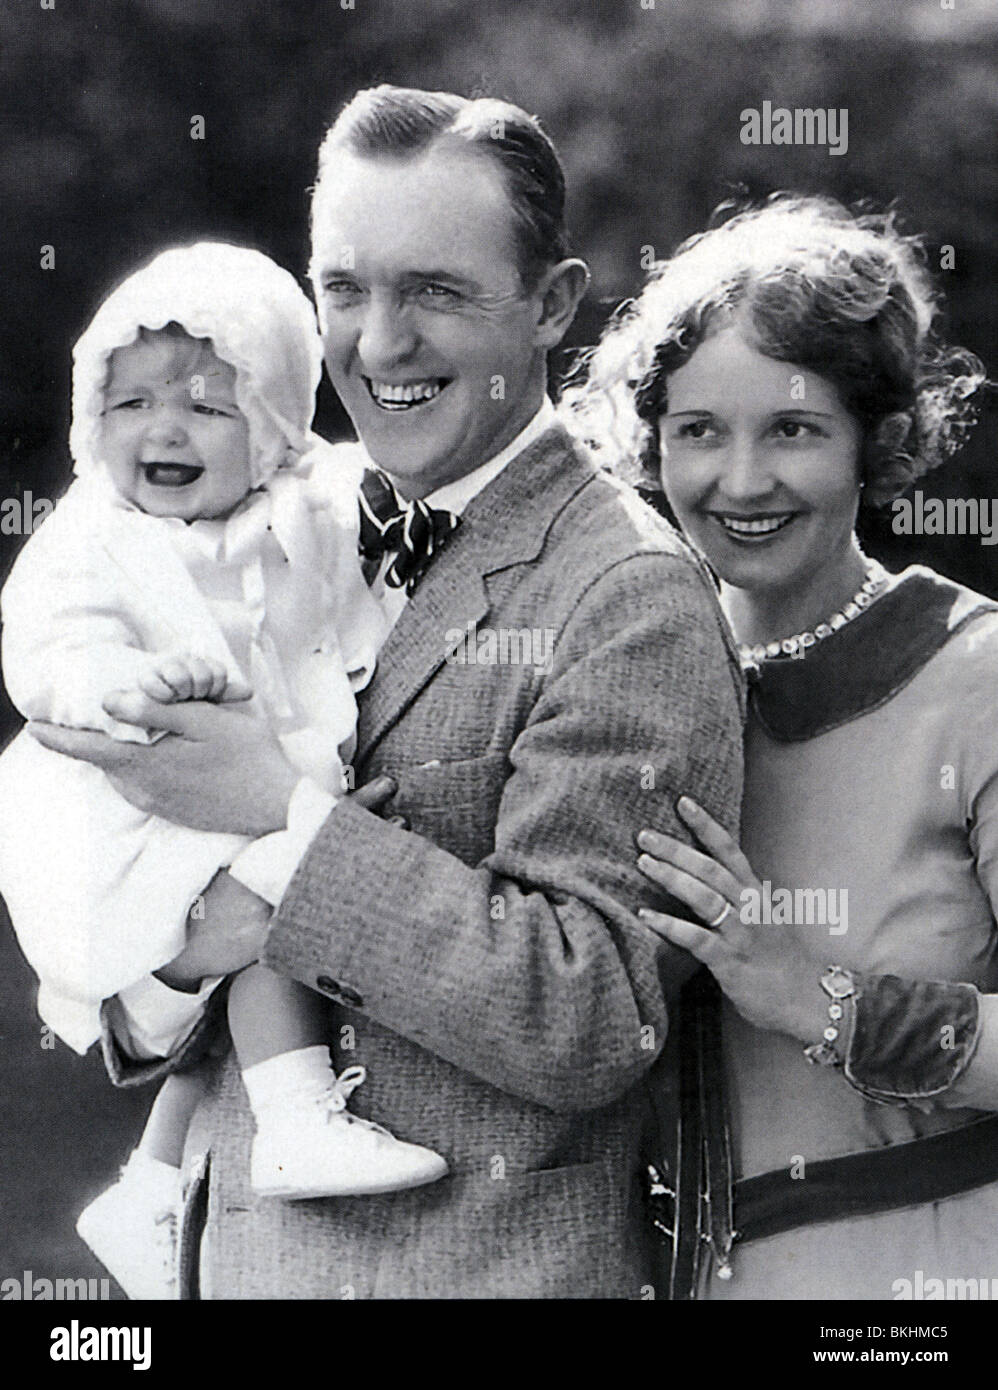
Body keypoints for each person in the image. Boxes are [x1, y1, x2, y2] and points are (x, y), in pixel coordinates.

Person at [32, 86, 744, 1299]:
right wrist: (173, 965)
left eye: (437, 292)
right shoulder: (268, 520)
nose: (378, 344)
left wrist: (277, 816)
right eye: (345, 289)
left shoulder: (627, 593)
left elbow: (586, 1010)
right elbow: (146, 988)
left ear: (551, 307)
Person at [562, 193, 998, 1298]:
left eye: (792, 429)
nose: (740, 481)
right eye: (699, 430)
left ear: (877, 442)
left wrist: (814, 996)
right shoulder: (610, 676)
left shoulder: (975, 677)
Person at [0, 242, 449, 1301]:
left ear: (278, 424)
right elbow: (45, 651)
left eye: (208, 404)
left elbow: (365, 570)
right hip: (122, 794)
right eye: (131, 403)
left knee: (282, 884)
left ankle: (150, 1184)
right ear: (87, 419)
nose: (163, 429)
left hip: (236, 786)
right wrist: (130, 681)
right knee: (281, 887)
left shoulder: (312, 501)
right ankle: (296, 1118)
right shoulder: (91, 539)